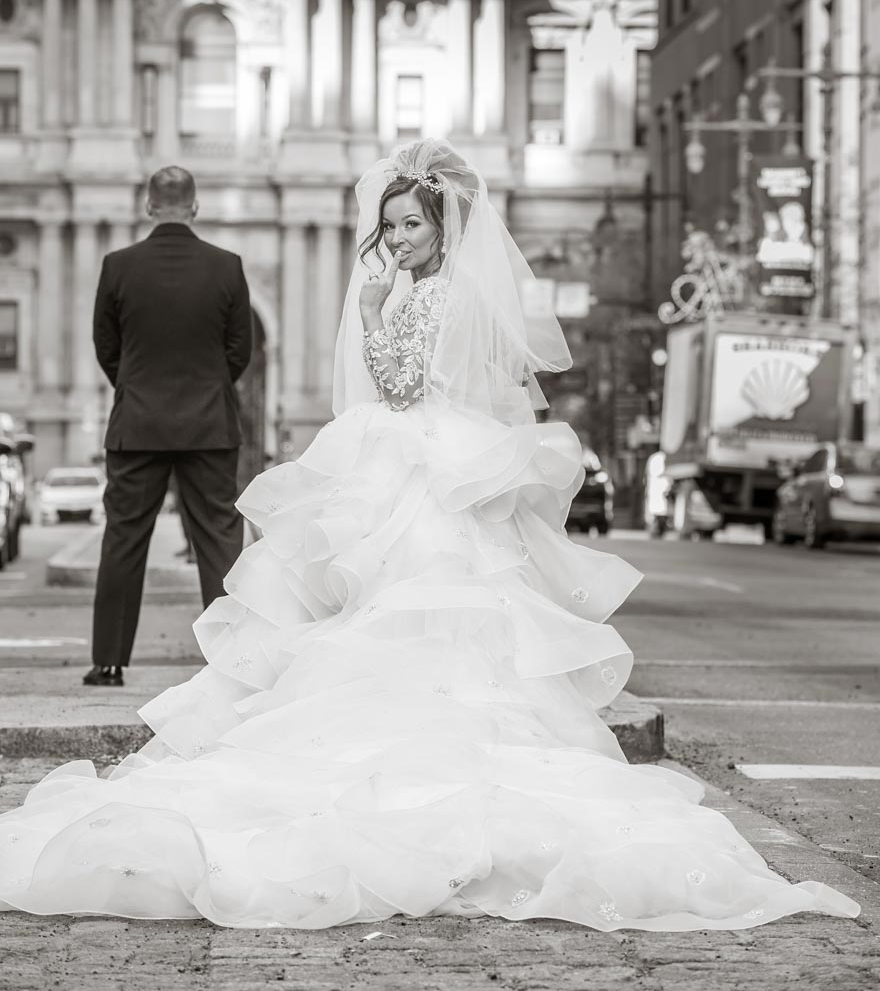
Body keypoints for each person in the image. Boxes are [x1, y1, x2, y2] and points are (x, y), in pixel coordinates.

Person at [0, 142, 859, 931]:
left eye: (413, 224)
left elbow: (404, 387)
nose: (399, 237)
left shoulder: (425, 296)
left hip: (414, 461)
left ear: (443, 227)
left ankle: (405, 751)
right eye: (392, 224)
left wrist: (375, 314)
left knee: (390, 602)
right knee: (423, 607)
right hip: (435, 460)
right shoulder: (445, 291)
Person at [82, 166, 252, 688]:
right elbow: (239, 351)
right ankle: (232, 659)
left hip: (138, 425)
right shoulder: (227, 267)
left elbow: (106, 347)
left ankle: (109, 662)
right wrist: (207, 389)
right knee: (220, 540)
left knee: (124, 539)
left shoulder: (117, 266)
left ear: (149, 206)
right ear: (195, 206)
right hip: (208, 426)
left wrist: (135, 389)